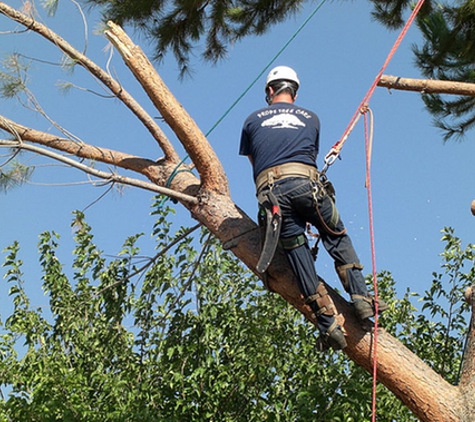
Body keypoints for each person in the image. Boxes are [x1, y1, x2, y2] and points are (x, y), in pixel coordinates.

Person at [239, 66, 387, 350]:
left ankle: (327, 322)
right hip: (308, 187)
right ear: (294, 92)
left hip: (273, 195)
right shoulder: (312, 119)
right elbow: (308, 158)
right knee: (336, 234)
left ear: (270, 90)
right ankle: (361, 298)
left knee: (297, 253)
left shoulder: (251, 120)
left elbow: (255, 163)